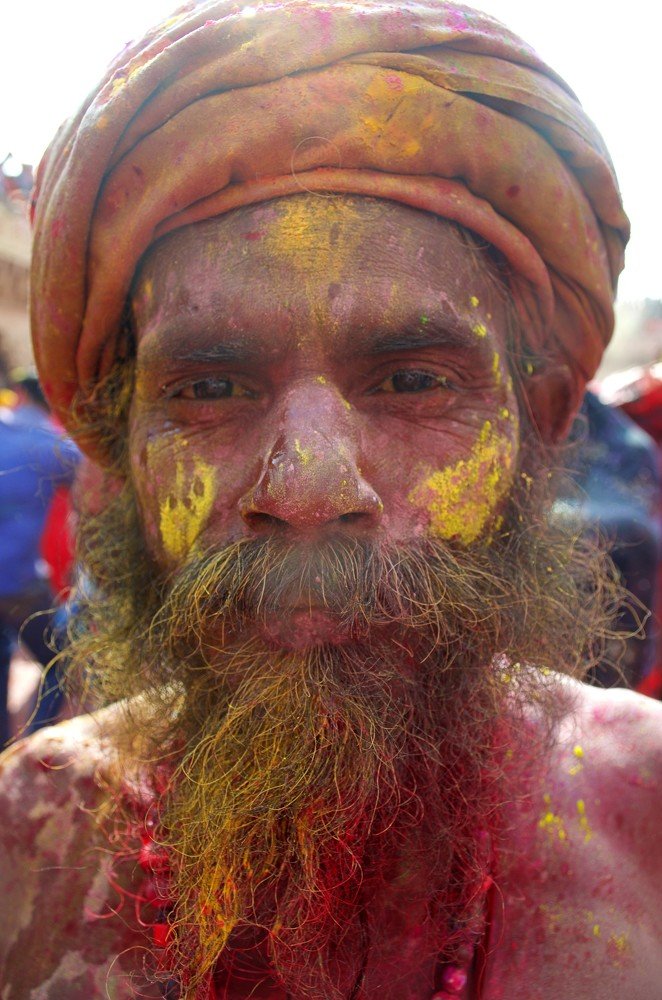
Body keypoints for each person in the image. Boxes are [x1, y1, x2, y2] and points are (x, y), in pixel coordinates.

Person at [0, 2, 660, 997]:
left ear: (541, 416)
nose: (307, 491)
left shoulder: (644, 812)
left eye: (412, 380)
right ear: (119, 440)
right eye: (209, 387)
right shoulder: (29, 833)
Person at [0, 371, 79, 744]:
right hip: (20, 586)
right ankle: (34, 742)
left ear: (18, 393)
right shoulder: (48, 445)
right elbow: (100, 483)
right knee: (62, 662)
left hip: (18, 582)